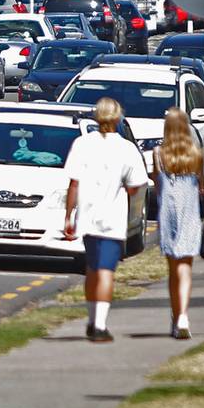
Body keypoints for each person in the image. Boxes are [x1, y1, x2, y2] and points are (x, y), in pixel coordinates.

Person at [62, 97, 149, 342]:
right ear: (118, 118)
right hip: (112, 218)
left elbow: (74, 183)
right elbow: (137, 185)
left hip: (88, 217)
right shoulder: (126, 149)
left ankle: (92, 319)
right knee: (106, 271)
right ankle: (99, 324)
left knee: (92, 269)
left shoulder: (82, 144)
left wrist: (68, 216)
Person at [155, 107, 204, 340]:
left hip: (168, 212)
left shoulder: (158, 154)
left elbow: (157, 185)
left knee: (173, 269)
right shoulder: (196, 154)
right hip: (189, 213)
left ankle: (176, 317)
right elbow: (201, 187)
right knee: (185, 268)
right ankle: (183, 316)